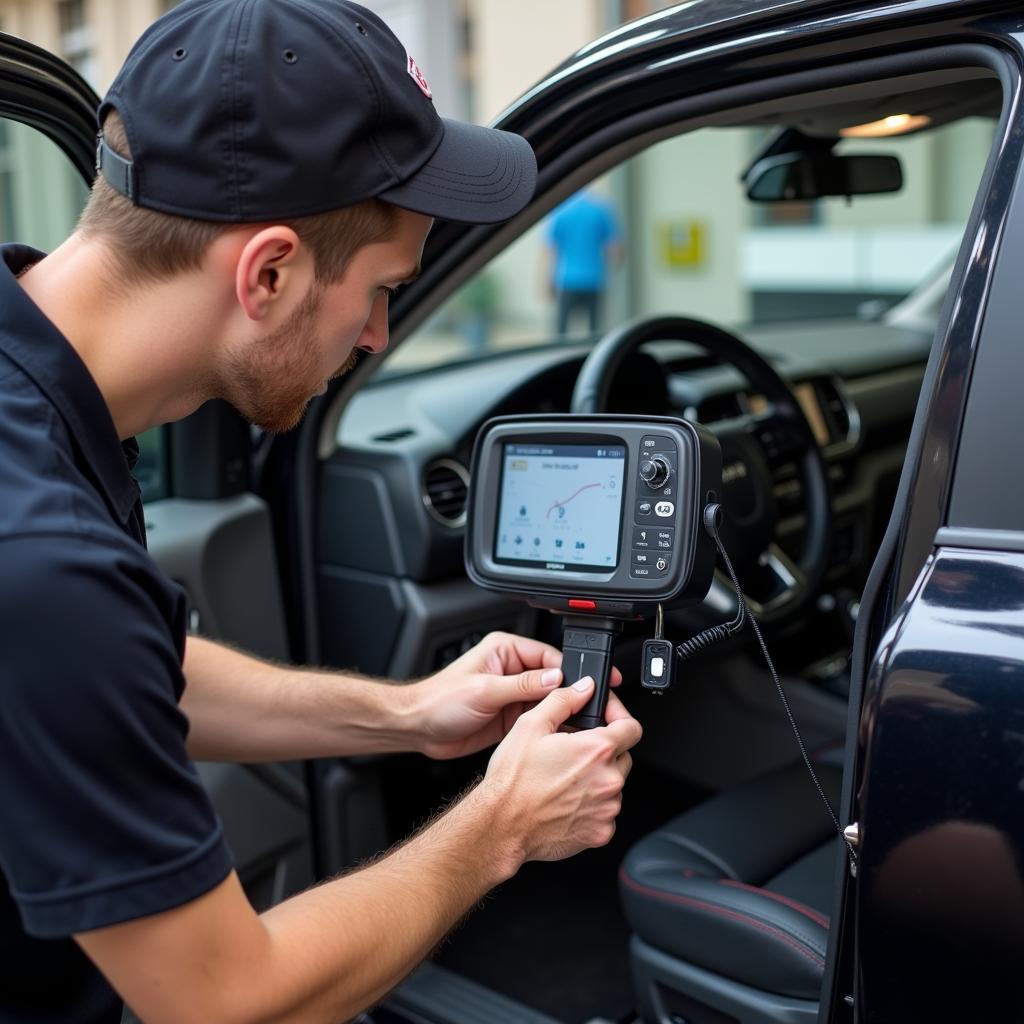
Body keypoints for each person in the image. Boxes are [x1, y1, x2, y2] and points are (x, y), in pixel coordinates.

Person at [0, 2, 642, 1023]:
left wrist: (407, 713)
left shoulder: (34, 381)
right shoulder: (42, 559)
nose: (381, 335)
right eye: (382, 289)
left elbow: (125, 666)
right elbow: (225, 1001)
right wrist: (503, 823)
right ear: (268, 271)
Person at [546, 189, 623, 339]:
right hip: (595, 280)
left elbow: (551, 250)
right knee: (594, 332)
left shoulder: (560, 211)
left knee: (561, 332)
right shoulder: (601, 210)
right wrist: (612, 271)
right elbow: (616, 250)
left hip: (567, 281)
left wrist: (549, 281)